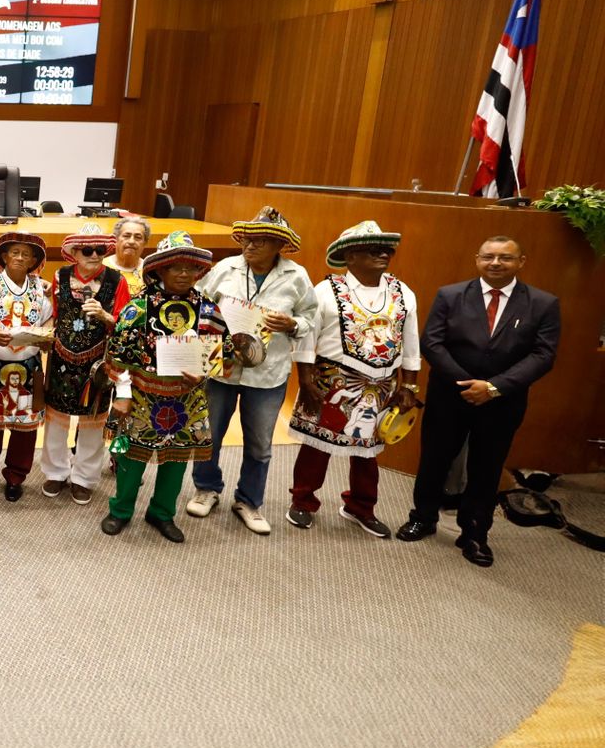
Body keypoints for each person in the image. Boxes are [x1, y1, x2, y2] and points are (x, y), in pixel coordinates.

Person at [397, 235, 561, 567]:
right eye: (488, 257)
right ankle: (423, 517)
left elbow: (543, 355)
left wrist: (494, 387)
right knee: (434, 460)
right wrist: (467, 384)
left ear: (521, 262)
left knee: (486, 468)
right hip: (449, 396)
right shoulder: (450, 295)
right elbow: (432, 343)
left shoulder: (543, 303)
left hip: (502, 402)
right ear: (477, 259)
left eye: (505, 257)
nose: (496, 263)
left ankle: (475, 533)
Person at [287, 221, 421, 538]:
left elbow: (411, 342)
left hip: (382, 384)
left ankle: (360, 507)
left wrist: (409, 386)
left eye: (386, 250)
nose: (383, 254)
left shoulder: (403, 293)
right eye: (372, 249)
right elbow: (307, 338)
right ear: (349, 256)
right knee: (316, 446)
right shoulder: (325, 291)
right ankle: (302, 501)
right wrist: (305, 380)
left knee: (368, 451)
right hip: (331, 380)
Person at [187, 207, 317, 535]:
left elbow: (311, 318)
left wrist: (292, 323)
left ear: (279, 245)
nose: (250, 245)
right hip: (221, 366)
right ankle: (206, 488)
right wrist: (210, 326)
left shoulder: (296, 276)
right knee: (209, 433)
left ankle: (249, 501)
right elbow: (197, 302)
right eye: (247, 239)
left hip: (268, 372)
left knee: (259, 443)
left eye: (260, 240)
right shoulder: (225, 268)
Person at [102, 231, 235, 543]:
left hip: (187, 400)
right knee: (131, 459)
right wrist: (123, 395)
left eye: (191, 268)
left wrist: (203, 376)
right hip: (141, 396)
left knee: (175, 461)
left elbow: (222, 356)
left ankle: (162, 513)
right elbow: (117, 356)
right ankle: (120, 510)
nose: (185, 273)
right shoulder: (139, 306)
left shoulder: (208, 308)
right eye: (177, 267)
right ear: (161, 269)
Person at [40, 223, 130, 505]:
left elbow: (125, 326)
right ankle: (55, 472)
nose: (94, 255)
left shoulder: (117, 281)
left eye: (100, 249)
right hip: (61, 358)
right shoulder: (60, 276)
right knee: (56, 420)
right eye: (88, 250)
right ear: (75, 252)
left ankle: (84, 478)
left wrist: (105, 316)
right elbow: (55, 314)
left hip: (98, 362)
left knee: (93, 423)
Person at [0, 232, 53, 501]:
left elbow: (48, 320)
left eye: (26, 254)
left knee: (24, 428)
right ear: (4, 256)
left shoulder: (41, 289)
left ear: (33, 261)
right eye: (15, 252)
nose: (20, 258)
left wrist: (45, 336)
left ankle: (16, 476)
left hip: (29, 365)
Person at [105, 216, 149, 295]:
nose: (131, 241)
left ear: (145, 243)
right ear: (115, 239)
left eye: (138, 237)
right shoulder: (102, 267)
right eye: (126, 236)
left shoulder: (149, 271)